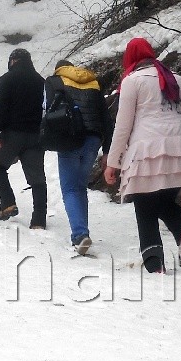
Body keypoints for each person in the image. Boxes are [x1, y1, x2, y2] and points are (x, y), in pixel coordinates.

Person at [104, 38, 181, 273]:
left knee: (144, 205)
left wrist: (114, 163)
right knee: (163, 201)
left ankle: (155, 264)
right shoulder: (177, 80)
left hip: (147, 151)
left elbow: (123, 126)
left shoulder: (132, 82)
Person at [46, 59, 112, 252]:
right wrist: (107, 150)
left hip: (69, 139)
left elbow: (47, 110)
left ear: (59, 69)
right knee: (80, 187)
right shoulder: (93, 82)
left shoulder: (54, 81)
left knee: (70, 189)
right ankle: (83, 232)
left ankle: (80, 234)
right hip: (93, 140)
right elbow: (106, 119)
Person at [0, 48, 47, 228]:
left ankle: (7, 202)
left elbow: (0, 107)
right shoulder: (41, 81)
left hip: (12, 134)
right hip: (36, 135)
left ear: (13, 60)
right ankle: (39, 220)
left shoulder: (8, 78)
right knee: (37, 179)